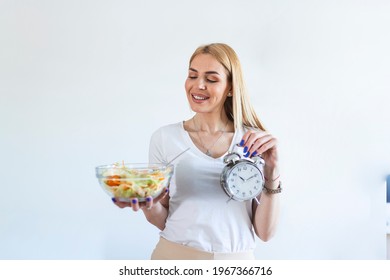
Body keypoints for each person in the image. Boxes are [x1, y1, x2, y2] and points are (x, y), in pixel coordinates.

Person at [113, 43, 281, 260]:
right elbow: (162, 218)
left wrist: (272, 171)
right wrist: (149, 204)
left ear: (231, 87)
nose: (198, 85)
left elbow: (265, 233)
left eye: (211, 79)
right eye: (192, 76)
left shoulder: (253, 142)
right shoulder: (165, 138)